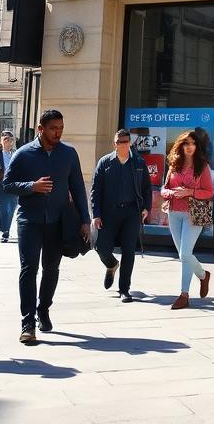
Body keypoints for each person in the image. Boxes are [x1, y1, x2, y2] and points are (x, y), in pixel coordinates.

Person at [2, 109, 91, 345]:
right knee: (28, 268)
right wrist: (32, 186)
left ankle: (44, 308)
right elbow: (7, 184)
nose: (58, 132)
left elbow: (78, 188)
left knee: (51, 269)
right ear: (40, 129)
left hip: (57, 222)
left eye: (61, 128)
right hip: (29, 221)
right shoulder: (23, 154)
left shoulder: (69, 154)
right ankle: (27, 321)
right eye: (53, 128)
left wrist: (85, 220)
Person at [92, 128, 152, 302]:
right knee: (101, 247)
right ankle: (111, 264)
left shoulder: (139, 163)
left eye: (126, 142)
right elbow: (96, 190)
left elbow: (147, 189)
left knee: (128, 250)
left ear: (130, 143)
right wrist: (96, 214)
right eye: (119, 142)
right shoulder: (105, 162)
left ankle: (124, 289)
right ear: (115, 144)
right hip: (109, 212)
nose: (123, 145)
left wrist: (146, 207)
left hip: (132, 212)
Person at [159, 130, 214, 309]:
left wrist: (190, 192)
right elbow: (164, 189)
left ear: (197, 146)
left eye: (192, 143)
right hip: (173, 212)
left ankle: (184, 294)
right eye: (186, 143)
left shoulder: (202, 166)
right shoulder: (174, 164)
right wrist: (171, 193)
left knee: (184, 254)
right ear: (181, 146)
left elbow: (209, 192)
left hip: (193, 214)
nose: (189, 146)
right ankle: (203, 275)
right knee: (184, 256)